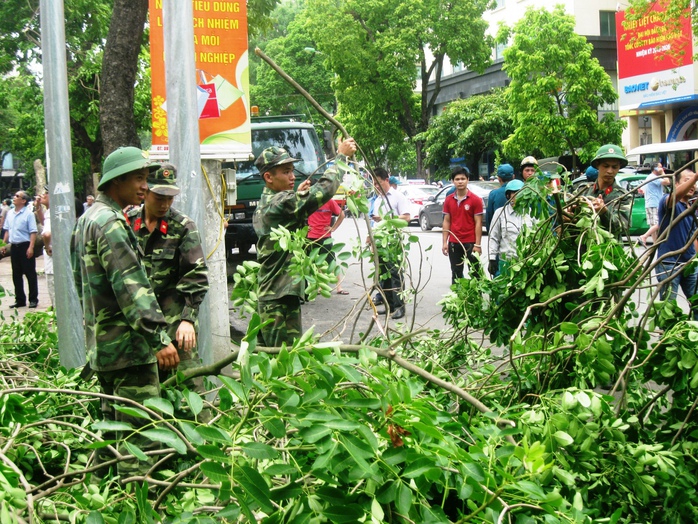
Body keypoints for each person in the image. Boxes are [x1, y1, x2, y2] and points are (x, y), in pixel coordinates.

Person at [71, 146, 178, 477]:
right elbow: (132, 288)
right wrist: (159, 338)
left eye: (145, 178)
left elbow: (81, 285)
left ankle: (109, 502)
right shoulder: (111, 223)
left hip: (103, 349)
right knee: (140, 445)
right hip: (130, 352)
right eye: (138, 178)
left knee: (112, 439)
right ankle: (140, 506)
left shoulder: (86, 220)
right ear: (115, 181)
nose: (144, 186)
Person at [253, 137, 357, 347]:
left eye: (292, 170)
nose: (292, 176)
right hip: (278, 300)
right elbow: (323, 192)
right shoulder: (280, 204)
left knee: (270, 363)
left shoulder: (271, 202)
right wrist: (341, 158)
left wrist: (296, 194)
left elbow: (293, 206)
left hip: (275, 296)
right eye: (285, 172)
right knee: (286, 365)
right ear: (268, 177)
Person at [127, 163, 210, 392]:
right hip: (140, 327)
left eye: (170, 198)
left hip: (176, 326)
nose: (165, 204)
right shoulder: (126, 223)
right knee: (145, 397)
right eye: (159, 197)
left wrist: (188, 319)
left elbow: (196, 275)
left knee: (189, 392)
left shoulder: (183, 227)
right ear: (145, 192)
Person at [654, 169, 698, 320]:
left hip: (689, 264)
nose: (692, 185)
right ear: (676, 183)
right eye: (687, 180)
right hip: (669, 264)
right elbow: (675, 196)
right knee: (668, 308)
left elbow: (694, 239)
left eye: (694, 182)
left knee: (696, 303)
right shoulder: (668, 202)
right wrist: (696, 177)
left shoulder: (691, 210)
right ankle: (667, 340)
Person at [370, 167, 411, 319]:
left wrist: (386, 219)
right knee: (384, 275)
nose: (376, 186)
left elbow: (406, 218)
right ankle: (389, 306)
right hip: (380, 241)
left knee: (395, 274)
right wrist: (371, 239)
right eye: (374, 183)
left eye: (378, 182)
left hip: (393, 240)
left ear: (386, 180)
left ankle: (399, 306)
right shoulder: (378, 199)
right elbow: (375, 223)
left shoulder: (397, 196)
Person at [575, 144, 632, 238]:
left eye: (614, 167)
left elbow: (623, 227)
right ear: (597, 165)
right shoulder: (582, 190)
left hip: (609, 250)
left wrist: (604, 212)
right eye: (606, 166)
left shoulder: (623, 196)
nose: (610, 171)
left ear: (619, 168)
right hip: (582, 250)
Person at [442, 166, 484, 284]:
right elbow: (446, 221)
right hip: (454, 243)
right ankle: (458, 300)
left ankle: (476, 300)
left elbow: (478, 223)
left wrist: (478, 244)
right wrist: (445, 242)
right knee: (456, 273)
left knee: (475, 273)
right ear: (452, 181)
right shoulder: (448, 200)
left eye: (463, 179)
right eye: (457, 179)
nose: (460, 181)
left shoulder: (476, 200)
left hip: (470, 243)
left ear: (468, 180)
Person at [488, 179, 536, 277]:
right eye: (514, 193)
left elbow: (537, 236)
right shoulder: (500, 213)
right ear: (508, 195)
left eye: (520, 192)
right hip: (506, 262)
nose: (517, 196)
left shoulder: (531, 213)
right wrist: (492, 259)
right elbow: (494, 237)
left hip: (526, 262)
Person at [3, 191, 39, 308]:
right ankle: (20, 300)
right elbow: (7, 230)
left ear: (23, 201)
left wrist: (31, 247)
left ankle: (33, 299)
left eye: (17, 196)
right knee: (16, 274)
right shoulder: (10, 213)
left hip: (25, 245)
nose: (14, 197)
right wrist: (3, 244)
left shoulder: (28, 214)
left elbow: (33, 231)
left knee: (30, 274)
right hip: (14, 247)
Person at [306, 199, 348, 295]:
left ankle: (339, 287)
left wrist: (333, 228)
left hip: (325, 237)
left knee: (331, 261)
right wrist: (305, 227)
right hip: (311, 237)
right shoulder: (309, 201)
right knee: (316, 263)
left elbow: (342, 215)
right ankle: (320, 287)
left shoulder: (329, 201)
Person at [639, 163, 671, 245]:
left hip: (650, 203)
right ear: (655, 168)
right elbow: (667, 182)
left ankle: (656, 244)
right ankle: (644, 236)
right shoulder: (653, 177)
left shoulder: (649, 177)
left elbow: (642, 190)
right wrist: (663, 172)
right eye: (660, 167)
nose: (662, 168)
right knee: (659, 223)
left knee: (653, 225)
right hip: (655, 203)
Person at [486, 163, 515, 232]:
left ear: (499, 178)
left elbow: (489, 218)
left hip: (499, 232)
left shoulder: (494, 194)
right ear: (513, 177)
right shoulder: (521, 192)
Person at [40, 189, 55, 308]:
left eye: (46, 192)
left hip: (52, 258)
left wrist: (47, 246)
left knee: (53, 287)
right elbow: (43, 223)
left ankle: (57, 318)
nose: (43, 195)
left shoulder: (52, 213)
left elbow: (46, 234)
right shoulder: (50, 212)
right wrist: (37, 208)